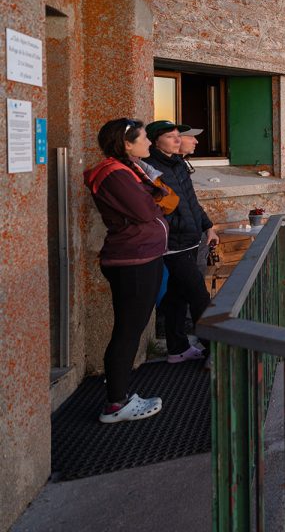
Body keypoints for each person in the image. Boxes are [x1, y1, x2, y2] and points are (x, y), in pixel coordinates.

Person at [83, 118, 168, 423]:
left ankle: (118, 393)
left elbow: (157, 202)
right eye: (144, 138)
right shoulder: (114, 173)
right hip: (134, 261)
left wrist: (155, 199)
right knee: (128, 331)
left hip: (141, 257)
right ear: (126, 143)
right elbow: (146, 210)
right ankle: (116, 403)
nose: (149, 143)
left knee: (130, 328)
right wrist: (156, 198)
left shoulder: (126, 169)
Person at [145, 121, 216, 364]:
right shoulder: (151, 168)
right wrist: (178, 227)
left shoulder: (178, 164)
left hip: (190, 238)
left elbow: (191, 200)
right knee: (198, 295)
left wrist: (207, 225)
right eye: (171, 136)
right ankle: (214, 348)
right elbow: (155, 208)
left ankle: (177, 348)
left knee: (176, 296)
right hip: (174, 244)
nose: (178, 139)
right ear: (156, 141)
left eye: (178, 135)